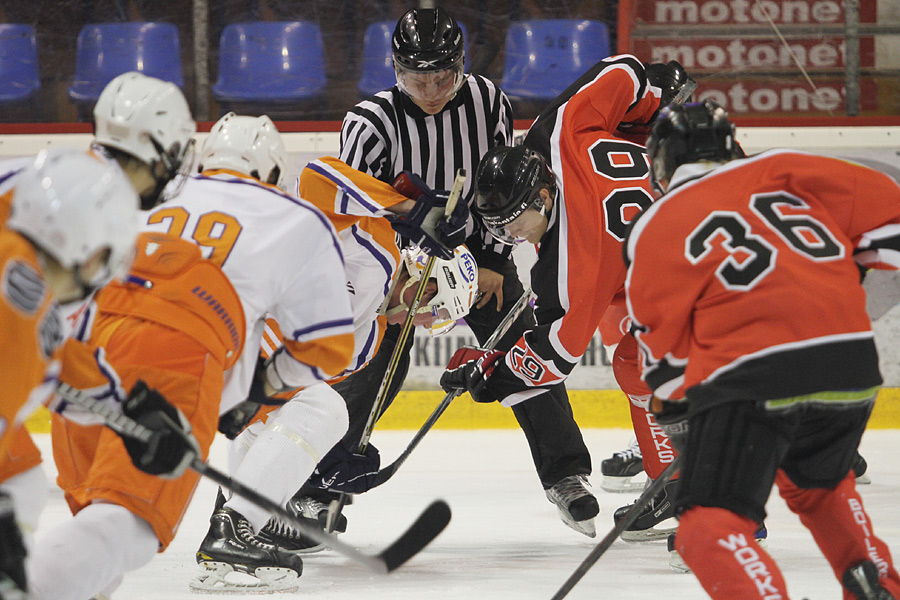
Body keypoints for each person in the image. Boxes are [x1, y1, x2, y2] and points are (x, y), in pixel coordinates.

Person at [26, 104, 358, 599]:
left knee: (98, 542)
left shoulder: (146, 195)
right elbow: (329, 350)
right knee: (125, 530)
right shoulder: (294, 216)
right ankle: (235, 526)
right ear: (271, 172)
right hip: (175, 359)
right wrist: (261, 387)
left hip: (84, 362)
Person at [301, 5, 601, 541]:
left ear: (460, 64)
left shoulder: (488, 102)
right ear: (395, 69)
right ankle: (316, 491)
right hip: (398, 265)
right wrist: (397, 282)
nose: (433, 87)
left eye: (443, 74)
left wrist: (489, 259)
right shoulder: (369, 123)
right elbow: (359, 213)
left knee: (521, 350)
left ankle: (567, 476)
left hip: (478, 253)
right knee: (374, 372)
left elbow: (499, 185)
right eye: (419, 76)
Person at [624, 99, 900, 599]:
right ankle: (874, 578)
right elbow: (892, 221)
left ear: (660, 165)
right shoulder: (785, 169)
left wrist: (682, 416)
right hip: (851, 360)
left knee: (707, 528)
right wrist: (854, 257)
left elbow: (664, 360)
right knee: (819, 488)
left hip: (756, 371)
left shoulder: (658, 219)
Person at [189, 145, 477, 592]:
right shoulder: (377, 242)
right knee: (326, 409)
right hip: (213, 309)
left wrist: (323, 464)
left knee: (296, 413)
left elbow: (278, 408)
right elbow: (316, 176)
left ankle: (236, 522)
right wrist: (409, 208)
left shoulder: (367, 341)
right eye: (431, 309)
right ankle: (236, 522)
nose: (420, 321)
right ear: (424, 274)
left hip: (229, 351)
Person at [439, 54, 696, 538]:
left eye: (517, 223)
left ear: (541, 198)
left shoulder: (576, 262)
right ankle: (678, 473)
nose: (514, 237)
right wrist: (651, 101)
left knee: (643, 363)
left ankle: (700, 491)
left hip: (712, 267)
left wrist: (489, 374)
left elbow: (555, 357)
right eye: (501, 228)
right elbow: (622, 70)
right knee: (633, 342)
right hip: (706, 198)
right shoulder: (556, 132)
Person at [0, 148, 142, 600]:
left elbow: (57, 364)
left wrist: (131, 414)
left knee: (19, 473)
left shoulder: (19, 268)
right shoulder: (19, 301)